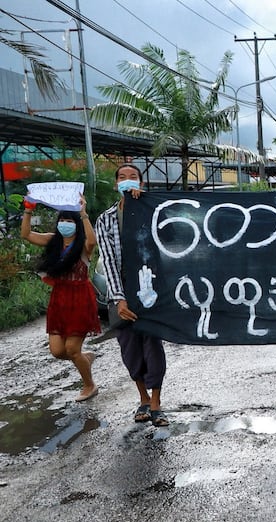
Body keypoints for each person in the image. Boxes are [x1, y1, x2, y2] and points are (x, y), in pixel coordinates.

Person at [95, 164, 169, 426]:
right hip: (121, 290)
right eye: (123, 178)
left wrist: (144, 205)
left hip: (150, 287)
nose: (128, 181)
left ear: (141, 183)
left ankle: (156, 402)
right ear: (116, 184)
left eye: (133, 177)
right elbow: (109, 261)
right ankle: (143, 398)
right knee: (129, 347)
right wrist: (119, 298)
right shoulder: (105, 220)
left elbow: (168, 241)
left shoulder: (152, 212)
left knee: (152, 343)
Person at [21, 195, 101, 402]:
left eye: (70, 221)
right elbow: (26, 234)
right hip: (59, 299)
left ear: (77, 224)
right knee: (57, 351)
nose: (65, 224)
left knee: (72, 349)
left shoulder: (83, 245)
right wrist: (28, 209)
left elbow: (93, 241)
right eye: (62, 220)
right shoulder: (53, 241)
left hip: (80, 299)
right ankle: (84, 358)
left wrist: (83, 214)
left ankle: (89, 385)